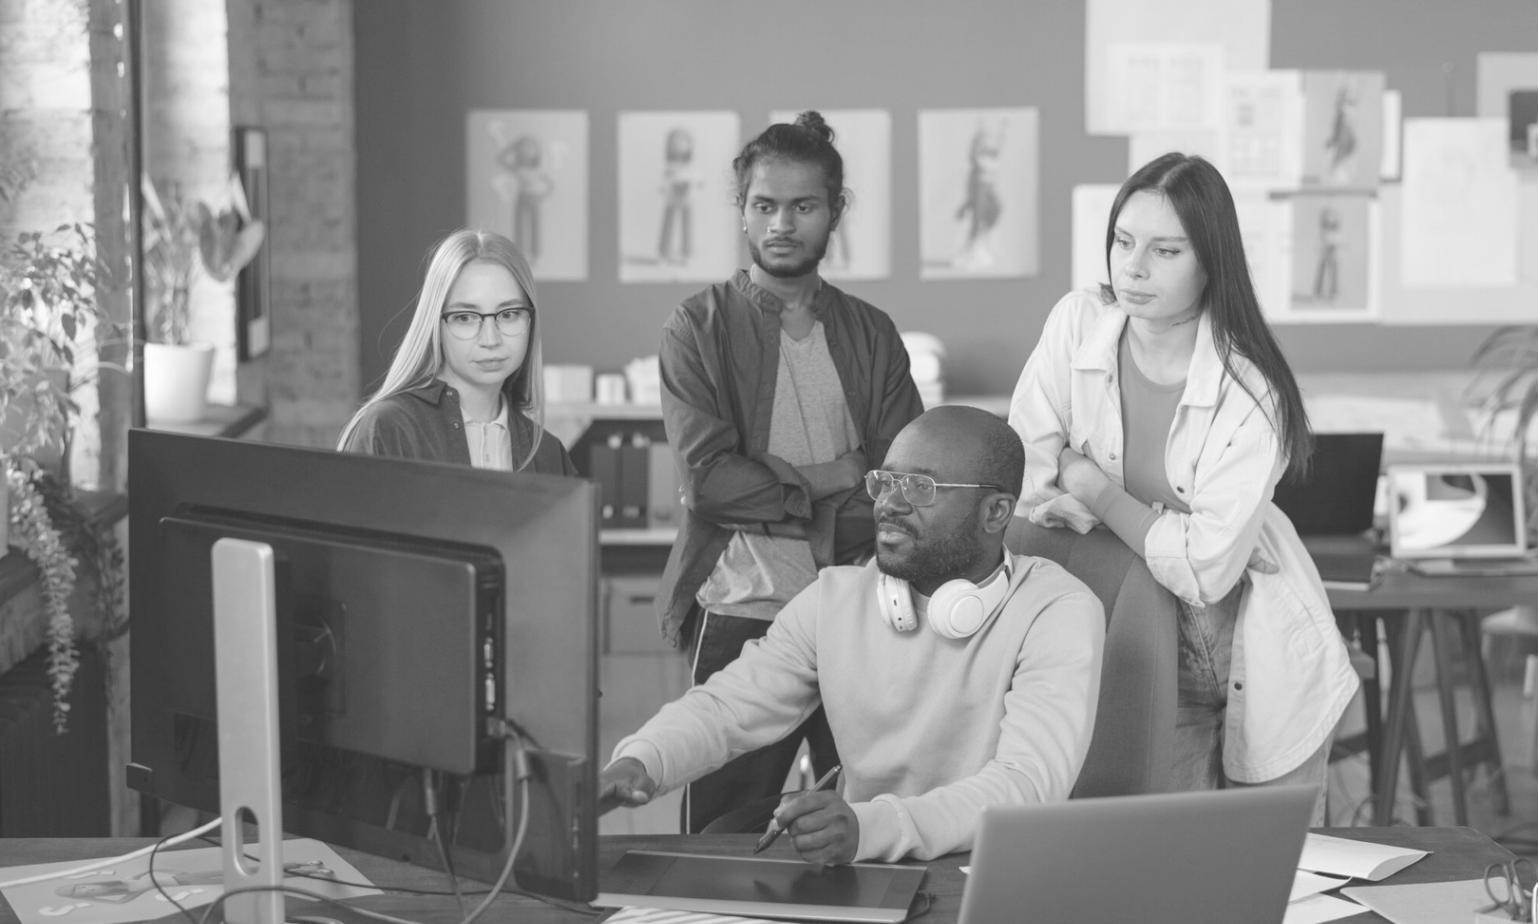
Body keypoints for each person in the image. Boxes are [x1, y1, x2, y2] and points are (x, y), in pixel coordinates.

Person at [1007, 153, 1358, 823]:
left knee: (1266, 878)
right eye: (1123, 241)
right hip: (1124, 622)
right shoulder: (1078, 322)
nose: (1133, 268)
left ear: (1210, 263)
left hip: (1235, 636)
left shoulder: (1251, 390)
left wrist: (1093, 486)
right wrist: (1140, 518)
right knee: (1161, 863)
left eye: (1165, 250)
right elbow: (1023, 478)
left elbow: (1204, 569)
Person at [602, 407, 1105, 865]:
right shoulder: (836, 598)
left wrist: (871, 826)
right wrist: (643, 759)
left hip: (991, 868)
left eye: (921, 489)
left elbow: (1026, 784)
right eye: (885, 482)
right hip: (866, 857)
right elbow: (729, 705)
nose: (890, 504)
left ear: (995, 513)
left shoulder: (1057, 610)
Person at [655, 110, 926, 834]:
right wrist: (838, 474)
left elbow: (902, 490)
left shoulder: (872, 334)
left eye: (803, 206)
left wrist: (780, 488)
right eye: (763, 205)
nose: (781, 223)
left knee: (868, 831)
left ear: (834, 212)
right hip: (743, 616)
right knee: (721, 841)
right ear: (742, 212)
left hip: (860, 618)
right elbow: (708, 485)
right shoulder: (698, 327)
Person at [338, 228, 576, 476]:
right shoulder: (387, 429)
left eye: (509, 315)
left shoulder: (549, 455)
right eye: (465, 317)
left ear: (530, 321)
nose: (490, 339)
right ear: (435, 324)